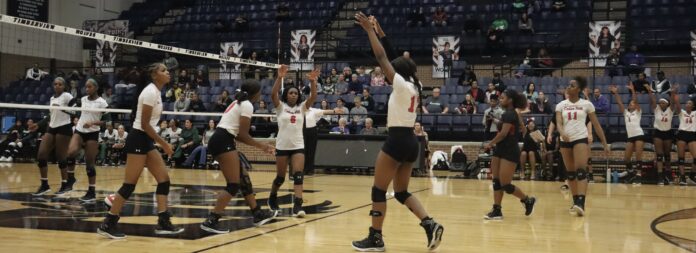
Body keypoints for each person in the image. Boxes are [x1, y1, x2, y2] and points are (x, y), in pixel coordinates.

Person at [352, 13, 443, 251]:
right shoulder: (416, 85)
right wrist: (380, 30)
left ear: (397, 72)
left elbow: (382, 56)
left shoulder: (401, 85)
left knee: (378, 190)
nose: (387, 70)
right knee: (401, 192)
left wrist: (368, 31)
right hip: (412, 142)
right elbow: (392, 56)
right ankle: (430, 224)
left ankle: (376, 237)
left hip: (397, 140)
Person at [97, 63, 184, 239]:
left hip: (145, 140)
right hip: (138, 138)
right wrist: (164, 144)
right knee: (129, 185)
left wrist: (157, 142)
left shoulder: (156, 92)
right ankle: (109, 223)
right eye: (163, 70)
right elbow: (144, 124)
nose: (168, 73)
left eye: (167, 70)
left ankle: (163, 222)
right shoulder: (150, 92)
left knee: (164, 180)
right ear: (154, 75)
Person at [199, 79, 279, 234]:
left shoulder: (240, 102)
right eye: (260, 92)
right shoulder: (247, 105)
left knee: (244, 179)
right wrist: (262, 146)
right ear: (256, 93)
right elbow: (242, 135)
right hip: (223, 140)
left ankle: (257, 214)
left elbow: (238, 134)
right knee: (233, 185)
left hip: (222, 139)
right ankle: (211, 220)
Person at [268, 65, 319, 217]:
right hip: (282, 146)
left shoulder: (302, 107)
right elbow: (272, 94)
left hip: (298, 145)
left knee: (298, 175)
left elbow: (314, 97)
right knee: (280, 178)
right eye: (291, 93)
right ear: (286, 95)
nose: (294, 95)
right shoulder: (280, 107)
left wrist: (312, 81)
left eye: (296, 93)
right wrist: (279, 77)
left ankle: (298, 205)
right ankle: (272, 196)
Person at [555, 78, 609, 216]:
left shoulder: (587, 104)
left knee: (580, 172)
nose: (568, 87)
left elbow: (596, 125)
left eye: (572, 85)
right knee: (571, 174)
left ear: (578, 89)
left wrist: (604, 143)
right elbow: (559, 123)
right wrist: (561, 132)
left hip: (580, 138)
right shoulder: (561, 105)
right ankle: (575, 201)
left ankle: (581, 202)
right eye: (568, 84)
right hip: (565, 140)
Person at [483, 89, 537, 220]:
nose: (500, 100)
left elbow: (503, 134)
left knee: (505, 184)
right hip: (500, 149)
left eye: (502, 98)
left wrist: (490, 144)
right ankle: (497, 210)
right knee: (496, 181)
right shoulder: (509, 114)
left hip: (510, 151)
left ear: (510, 100)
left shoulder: (510, 114)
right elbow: (519, 127)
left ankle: (527, 200)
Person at [30, 77, 75, 196]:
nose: (57, 86)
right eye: (55, 84)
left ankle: (65, 185)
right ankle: (45, 185)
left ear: (64, 86)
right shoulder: (51, 98)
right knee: (41, 155)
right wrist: (38, 125)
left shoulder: (67, 96)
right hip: (52, 127)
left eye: (60, 84)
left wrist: (63, 109)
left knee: (61, 157)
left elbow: (75, 111)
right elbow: (51, 115)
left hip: (64, 127)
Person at [66, 79, 109, 202]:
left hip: (93, 133)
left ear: (95, 88)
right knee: (70, 153)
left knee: (89, 164)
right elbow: (71, 109)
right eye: (86, 87)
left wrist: (93, 123)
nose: (87, 89)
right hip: (80, 130)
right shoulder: (83, 100)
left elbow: (107, 121)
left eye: (89, 87)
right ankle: (71, 178)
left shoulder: (102, 103)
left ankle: (91, 192)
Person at [610, 84, 645, 184]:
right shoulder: (626, 113)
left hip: (639, 135)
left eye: (633, 103)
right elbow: (619, 103)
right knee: (626, 158)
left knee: (638, 157)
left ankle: (639, 176)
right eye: (630, 103)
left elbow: (636, 100)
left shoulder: (638, 112)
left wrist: (633, 90)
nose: (631, 104)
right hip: (630, 137)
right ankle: (631, 172)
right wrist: (616, 93)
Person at [649, 86, 678, 185]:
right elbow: (653, 100)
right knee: (659, 155)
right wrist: (649, 91)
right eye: (660, 102)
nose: (661, 104)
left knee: (667, 155)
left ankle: (668, 174)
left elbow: (673, 102)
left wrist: (673, 93)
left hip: (668, 133)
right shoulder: (656, 109)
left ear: (667, 103)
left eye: (663, 102)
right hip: (658, 133)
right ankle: (660, 176)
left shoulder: (670, 110)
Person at [674, 93, 696, 185]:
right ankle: (682, 177)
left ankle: (691, 176)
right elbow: (678, 106)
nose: (687, 104)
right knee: (681, 158)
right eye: (686, 103)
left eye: (689, 103)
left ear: (693, 106)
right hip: (682, 134)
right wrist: (675, 96)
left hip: (692, 134)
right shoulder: (682, 112)